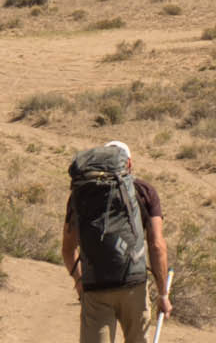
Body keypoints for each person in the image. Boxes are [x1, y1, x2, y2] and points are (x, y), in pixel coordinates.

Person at [61, 140, 172, 343]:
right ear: (128, 163)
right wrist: (163, 294)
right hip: (134, 285)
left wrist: (80, 284)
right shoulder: (144, 191)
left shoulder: (82, 193)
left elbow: (68, 249)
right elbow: (157, 245)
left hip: (96, 287)